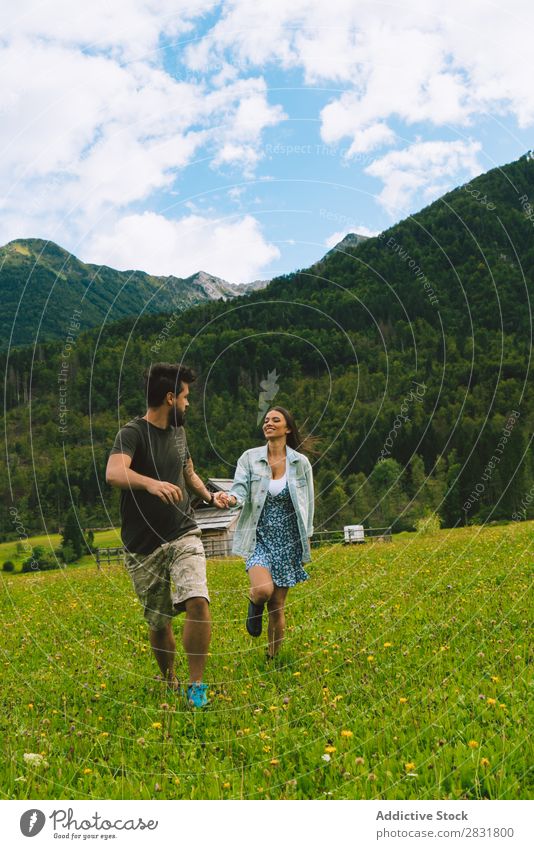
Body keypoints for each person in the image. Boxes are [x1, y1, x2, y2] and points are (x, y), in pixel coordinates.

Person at [105, 362, 227, 708]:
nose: (189, 404)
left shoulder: (179, 432)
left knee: (197, 599)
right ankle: (169, 676)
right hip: (143, 544)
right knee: (158, 621)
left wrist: (210, 496)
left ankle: (196, 685)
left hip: (182, 530)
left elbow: (188, 473)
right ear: (170, 397)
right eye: (186, 397)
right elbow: (114, 473)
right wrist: (151, 483)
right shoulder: (132, 433)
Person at [222, 407, 315, 660]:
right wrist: (230, 498)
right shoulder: (249, 458)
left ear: (288, 429)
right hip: (258, 537)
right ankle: (254, 602)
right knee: (264, 591)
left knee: (277, 606)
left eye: (276, 420)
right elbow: (240, 490)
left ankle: (272, 657)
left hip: (289, 540)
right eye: (266, 420)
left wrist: (307, 536)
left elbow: (309, 503)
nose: (269, 423)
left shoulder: (300, 463)